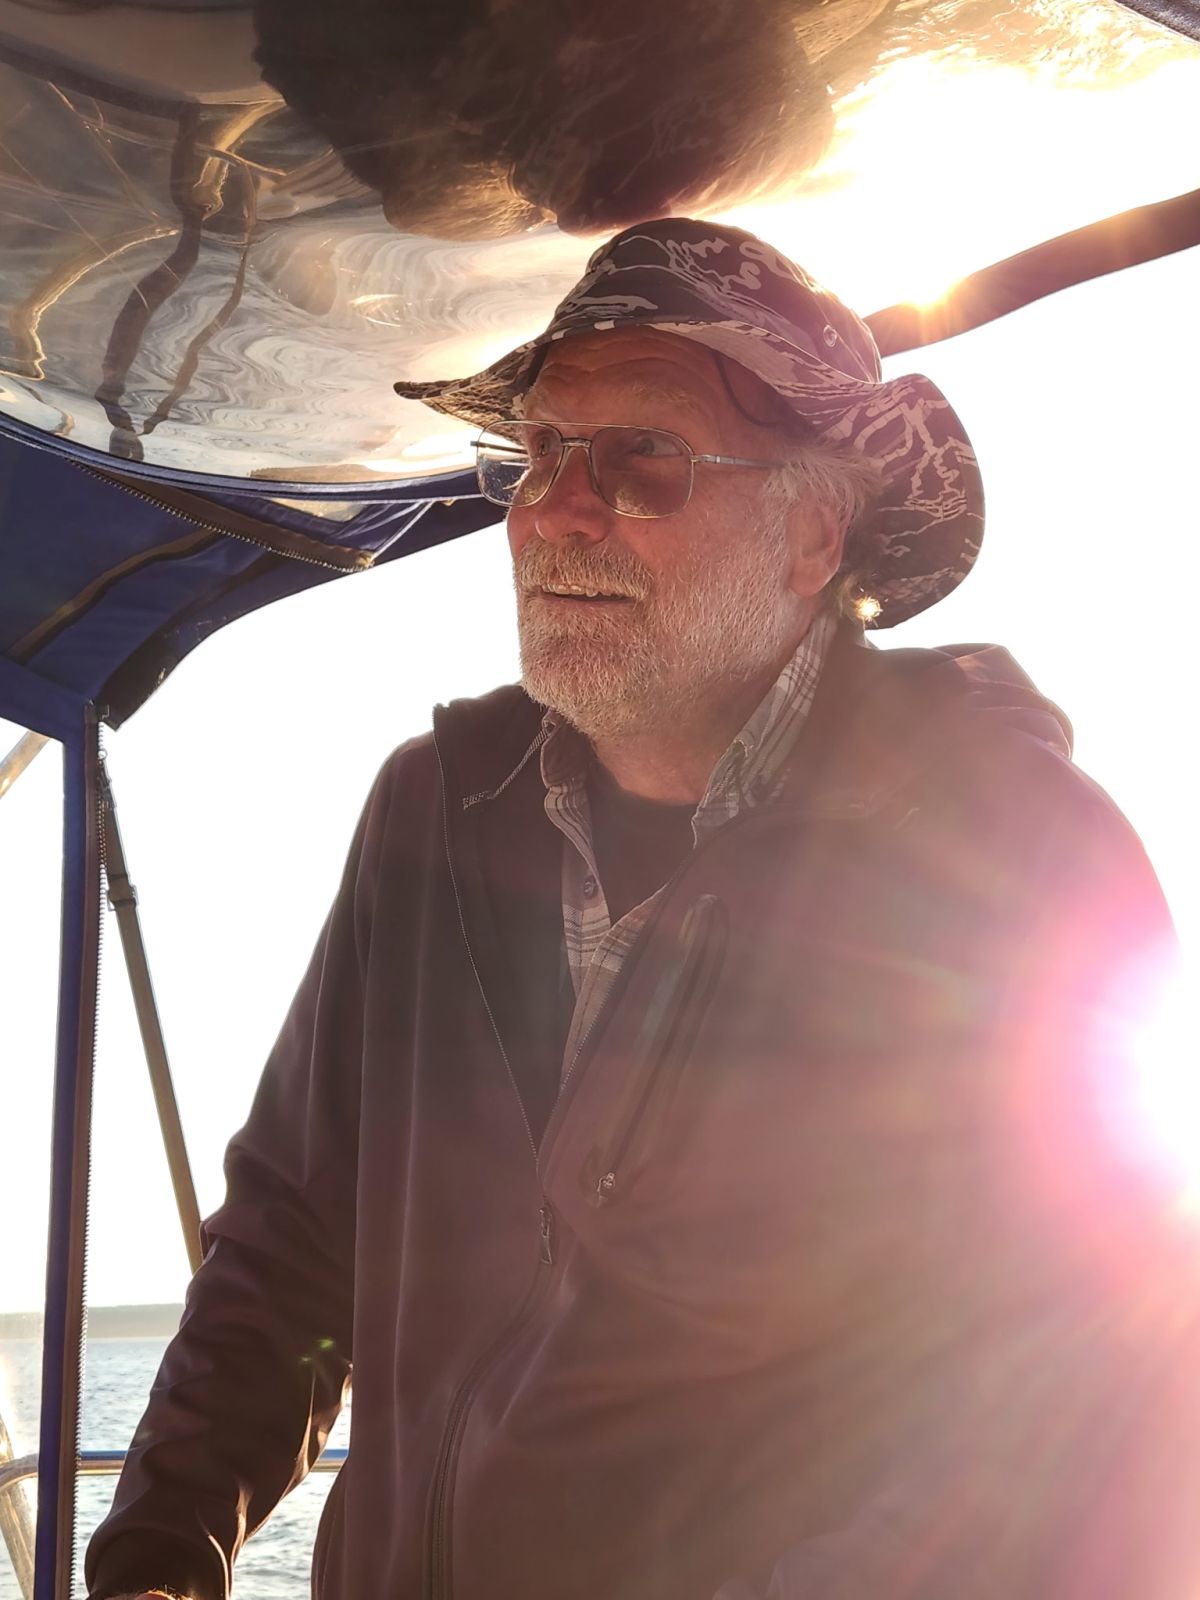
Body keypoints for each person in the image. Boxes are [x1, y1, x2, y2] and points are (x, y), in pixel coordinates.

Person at [87, 217, 1196, 1600]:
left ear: (811, 533)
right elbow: (289, 1247)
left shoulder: (1010, 857)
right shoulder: (429, 816)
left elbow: (1090, 1389)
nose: (554, 508)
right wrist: (150, 1560)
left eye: (641, 461)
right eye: (542, 452)